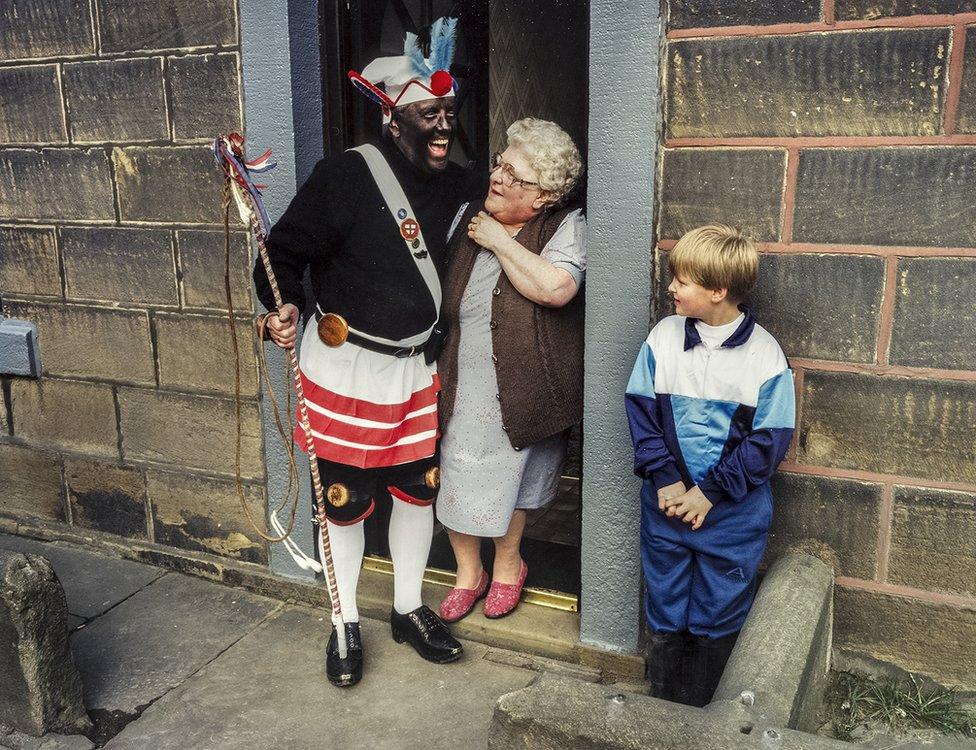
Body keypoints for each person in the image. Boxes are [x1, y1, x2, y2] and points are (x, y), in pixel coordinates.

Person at [255, 18, 481, 688]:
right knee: (346, 502)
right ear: (392, 118)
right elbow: (280, 256)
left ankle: (408, 608)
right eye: (426, 115)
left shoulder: (461, 182)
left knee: (418, 492)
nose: (442, 126)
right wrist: (282, 307)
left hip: (415, 371)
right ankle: (345, 619)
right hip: (346, 368)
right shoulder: (344, 177)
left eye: (448, 112)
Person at [624, 225, 795, 707]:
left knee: (720, 605)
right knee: (665, 598)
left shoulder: (765, 355)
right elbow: (641, 414)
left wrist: (710, 493)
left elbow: (769, 441)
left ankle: (703, 706)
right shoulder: (662, 338)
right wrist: (667, 479)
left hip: (732, 515)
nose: (671, 287)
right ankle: (662, 702)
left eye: (682, 280)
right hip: (667, 505)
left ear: (717, 291)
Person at [435, 118, 585, 622]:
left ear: (542, 196)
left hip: (525, 384)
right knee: (456, 471)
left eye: (513, 176)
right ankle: (466, 573)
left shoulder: (564, 226)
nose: (496, 177)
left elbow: (556, 289)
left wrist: (499, 239)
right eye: (499, 165)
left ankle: (506, 568)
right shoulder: (464, 217)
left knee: (513, 480)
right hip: (461, 375)